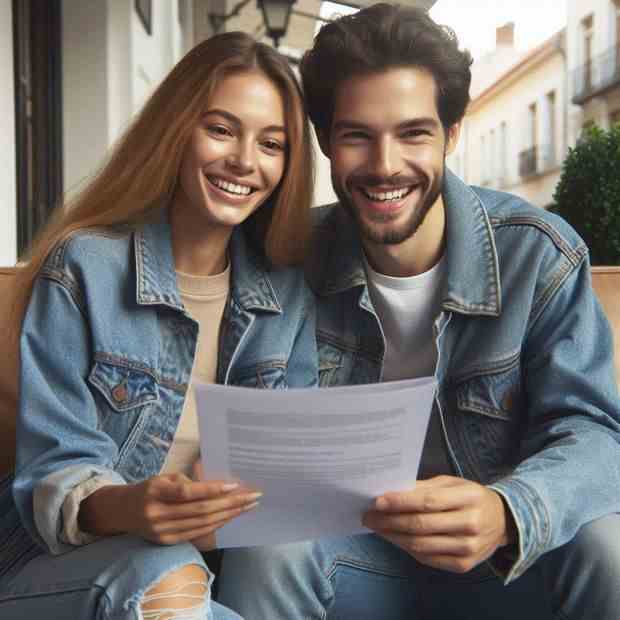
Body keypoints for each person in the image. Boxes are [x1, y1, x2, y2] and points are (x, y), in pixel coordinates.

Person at [217, 5, 620, 618]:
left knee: (609, 546)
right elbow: (264, 440)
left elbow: (594, 433)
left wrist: (509, 508)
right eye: (357, 135)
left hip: (513, 562)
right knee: (267, 547)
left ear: (451, 134)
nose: (385, 165)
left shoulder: (538, 253)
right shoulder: (288, 256)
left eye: (413, 133)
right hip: (354, 558)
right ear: (325, 141)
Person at [0, 31, 317, 620]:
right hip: (58, 568)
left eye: (271, 143)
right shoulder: (84, 267)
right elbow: (52, 473)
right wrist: (134, 507)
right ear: (177, 131)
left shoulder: (287, 295)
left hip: (206, 575)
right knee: (165, 570)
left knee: (270, 552)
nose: (244, 161)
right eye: (221, 129)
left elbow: (289, 470)